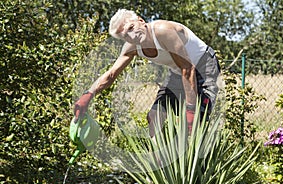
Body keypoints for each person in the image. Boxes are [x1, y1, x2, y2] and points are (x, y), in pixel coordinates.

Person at [74, 9, 220, 135]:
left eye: (131, 28)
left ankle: (199, 162)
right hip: (177, 71)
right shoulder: (132, 48)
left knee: (197, 120)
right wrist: (88, 95)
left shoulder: (163, 31)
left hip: (203, 65)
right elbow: (111, 74)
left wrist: (191, 109)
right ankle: (161, 162)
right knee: (154, 116)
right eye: (125, 35)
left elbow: (188, 69)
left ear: (141, 20)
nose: (132, 36)